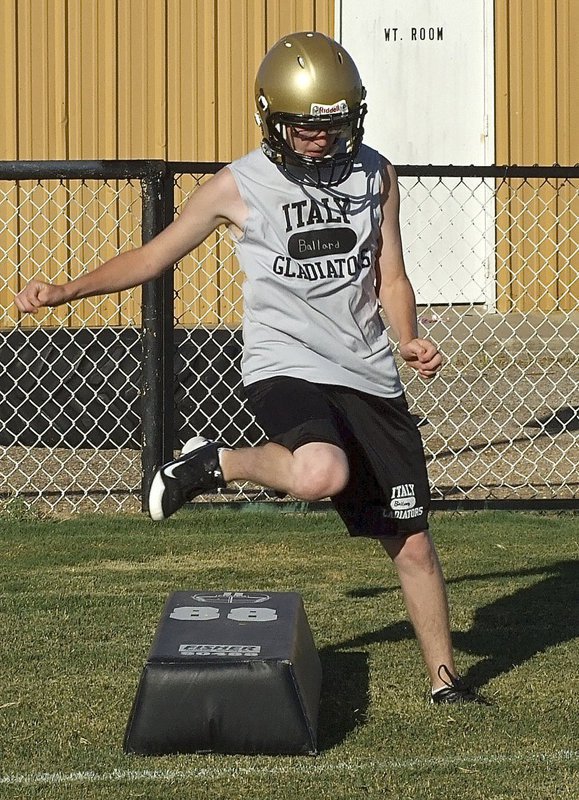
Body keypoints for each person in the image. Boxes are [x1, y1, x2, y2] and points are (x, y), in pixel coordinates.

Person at [15, 31, 484, 704]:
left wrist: (407, 338)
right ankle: (217, 463)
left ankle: (445, 683)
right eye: (301, 126)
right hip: (285, 362)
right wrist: (64, 291)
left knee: (410, 543)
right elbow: (153, 258)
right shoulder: (237, 185)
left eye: (330, 124)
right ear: (269, 117)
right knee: (322, 470)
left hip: (368, 372)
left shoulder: (375, 173)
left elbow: (392, 277)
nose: (318, 139)